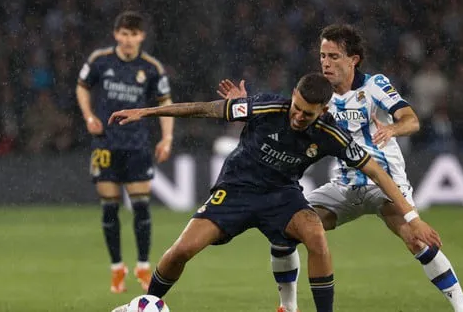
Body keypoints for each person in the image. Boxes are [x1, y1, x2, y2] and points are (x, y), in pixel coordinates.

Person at [109, 73, 441, 312]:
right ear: (293, 96)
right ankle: (146, 305)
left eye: (307, 114)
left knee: (316, 236)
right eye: (296, 107)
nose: (297, 117)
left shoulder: (329, 133)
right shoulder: (267, 108)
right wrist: (147, 112)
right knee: (182, 250)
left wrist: (411, 217)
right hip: (237, 189)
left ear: (322, 112)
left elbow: (376, 170)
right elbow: (206, 109)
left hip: (282, 196)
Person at [219, 24, 463, 312]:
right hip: (343, 186)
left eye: (334, 56)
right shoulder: (319, 96)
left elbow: (411, 119)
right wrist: (243, 107)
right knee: (284, 228)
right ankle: (287, 307)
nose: (326, 62)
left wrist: (392, 128)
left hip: (382, 182)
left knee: (417, 240)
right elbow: (282, 117)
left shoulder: (374, 85)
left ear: (353, 60)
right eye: (323, 55)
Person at [75, 11, 174, 294]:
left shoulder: (151, 67)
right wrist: (88, 116)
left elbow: (166, 102)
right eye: (124, 34)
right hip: (105, 143)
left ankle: (143, 266)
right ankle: (117, 268)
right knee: (109, 208)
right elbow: (81, 87)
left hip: (137, 145)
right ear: (116, 34)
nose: (128, 39)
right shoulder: (100, 60)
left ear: (141, 36)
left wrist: (167, 138)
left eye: (134, 34)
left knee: (141, 207)